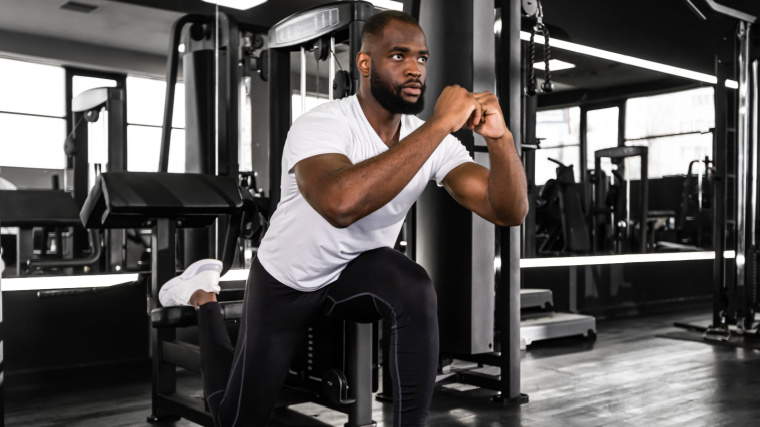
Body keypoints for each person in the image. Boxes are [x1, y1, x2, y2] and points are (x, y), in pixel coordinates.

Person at [159, 9, 528, 427]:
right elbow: (340, 205)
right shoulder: (323, 124)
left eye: (422, 59)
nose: (414, 69)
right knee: (235, 419)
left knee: (414, 287)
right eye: (399, 56)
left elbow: (508, 210)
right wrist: (442, 124)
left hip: (353, 272)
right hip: (286, 280)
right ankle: (204, 296)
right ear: (365, 63)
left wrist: (501, 140)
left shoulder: (430, 139)